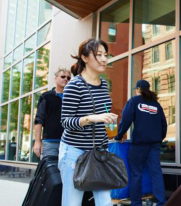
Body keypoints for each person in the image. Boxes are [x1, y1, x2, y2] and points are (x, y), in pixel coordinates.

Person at [59, 38, 117, 206]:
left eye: (106, 55)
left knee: (105, 202)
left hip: (99, 151)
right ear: (84, 58)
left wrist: (107, 119)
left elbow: (103, 111)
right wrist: (92, 118)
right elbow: (65, 122)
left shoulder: (104, 85)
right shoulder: (74, 85)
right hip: (74, 153)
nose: (104, 59)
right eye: (98, 55)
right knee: (73, 203)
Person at [115, 79, 167, 206]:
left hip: (139, 145)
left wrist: (119, 135)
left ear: (138, 89)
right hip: (154, 144)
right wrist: (159, 138)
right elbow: (163, 124)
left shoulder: (134, 101)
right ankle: (161, 203)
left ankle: (136, 203)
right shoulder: (156, 105)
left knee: (136, 174)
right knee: (156, 173)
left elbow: (126, 119)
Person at [33, 68, 71, 159]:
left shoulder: (72, 98)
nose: (66, 79)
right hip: (50, 142)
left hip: (69, 143)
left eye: (68, 78)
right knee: (50, 171)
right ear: (55, 79)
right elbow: (39, 120)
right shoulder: (46, 97)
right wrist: (37, 141)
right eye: (63, 76)